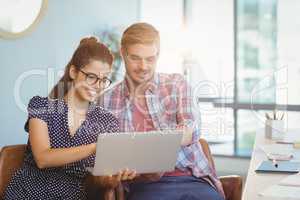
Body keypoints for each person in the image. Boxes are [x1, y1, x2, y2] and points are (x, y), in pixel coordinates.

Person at [99, 23, 225, 200]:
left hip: (191, 179)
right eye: (135, 58)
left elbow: (191, 128)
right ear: (122, 53)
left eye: (150, 59)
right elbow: (108, 155)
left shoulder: (176, 84)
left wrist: (159, 150)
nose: (143, 66)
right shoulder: (106, 100)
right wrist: (117, 174)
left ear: (158, 55)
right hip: (144, 186)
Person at [4, 37, 136, 200]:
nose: (98, 85)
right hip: (27, 193)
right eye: (91, 77)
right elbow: (43, 158)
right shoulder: (42, 106)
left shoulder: (106, 121)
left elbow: (99, 178)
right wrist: (95, 147)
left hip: (70, 195)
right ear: (73, 72)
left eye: (103, 80)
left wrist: (111, 179)